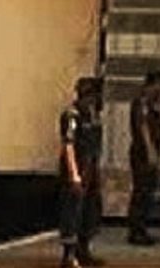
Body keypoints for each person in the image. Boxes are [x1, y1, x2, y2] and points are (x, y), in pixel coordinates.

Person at [59, 77, 105, 268]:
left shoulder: (93, 116)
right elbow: (68, 145)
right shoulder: (72, 115)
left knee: (90, 210)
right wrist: (74, 174)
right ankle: (69, 255)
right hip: (77, 167)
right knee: (73, 211)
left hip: (90, 167)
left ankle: (84, 249)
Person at [129, 71, 160, 246]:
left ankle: (142, 228)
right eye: (159, 85)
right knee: (141, 191)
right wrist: (150, 150)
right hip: (142, 153)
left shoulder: (152, 104)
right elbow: (143, 127)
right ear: (151, 85)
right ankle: (136, 231)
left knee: (148, 191)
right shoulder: (142, 103)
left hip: (151, 150)